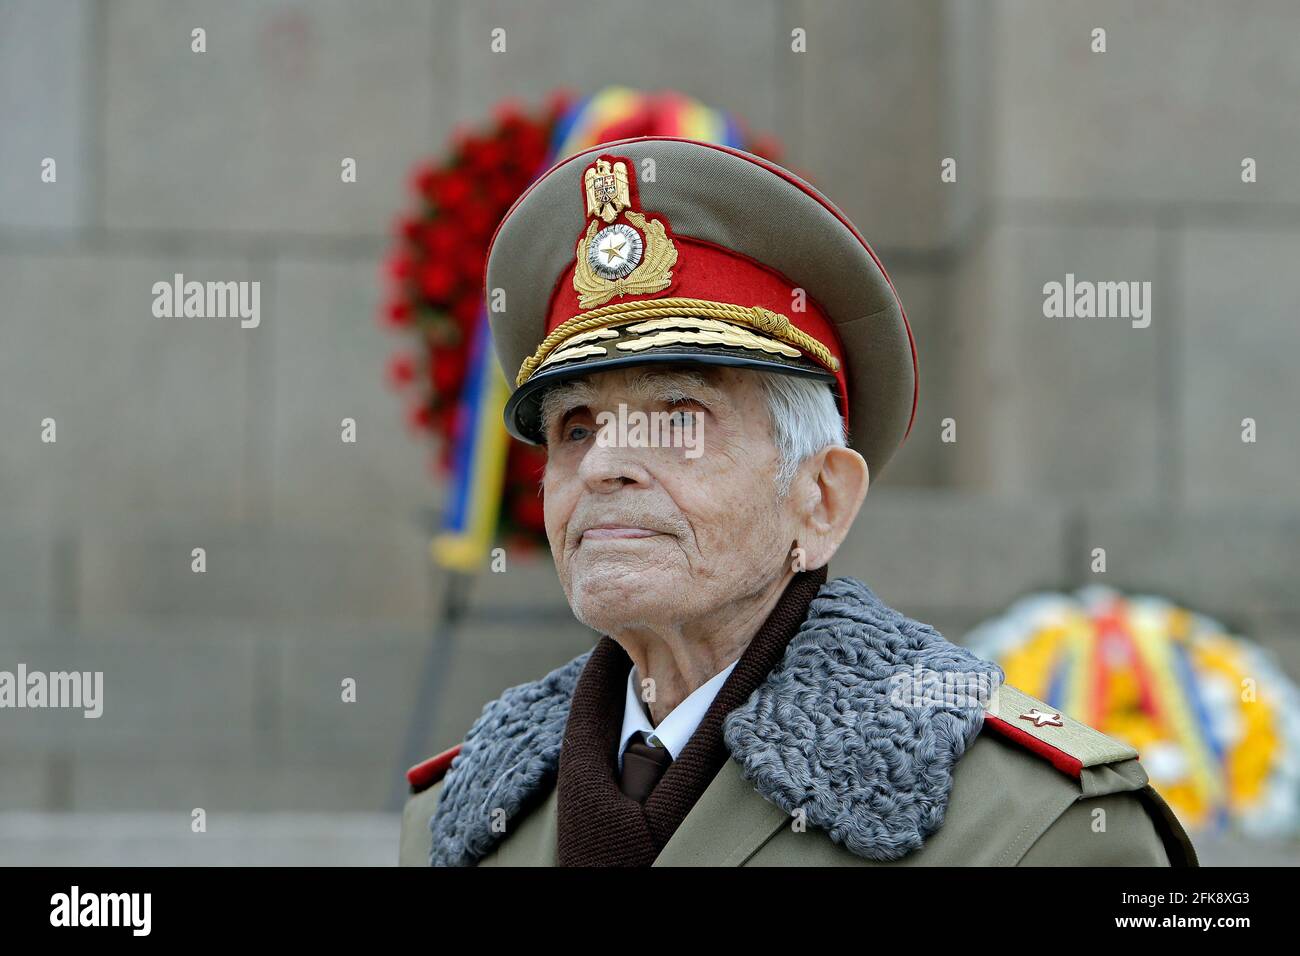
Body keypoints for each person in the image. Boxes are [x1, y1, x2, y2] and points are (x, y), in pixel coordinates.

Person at [399, 138, 1196, 867]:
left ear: (820, 500)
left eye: (677, 417)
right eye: (574, 428)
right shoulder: (462, 819)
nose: (604, 462)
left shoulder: (1029, 827)